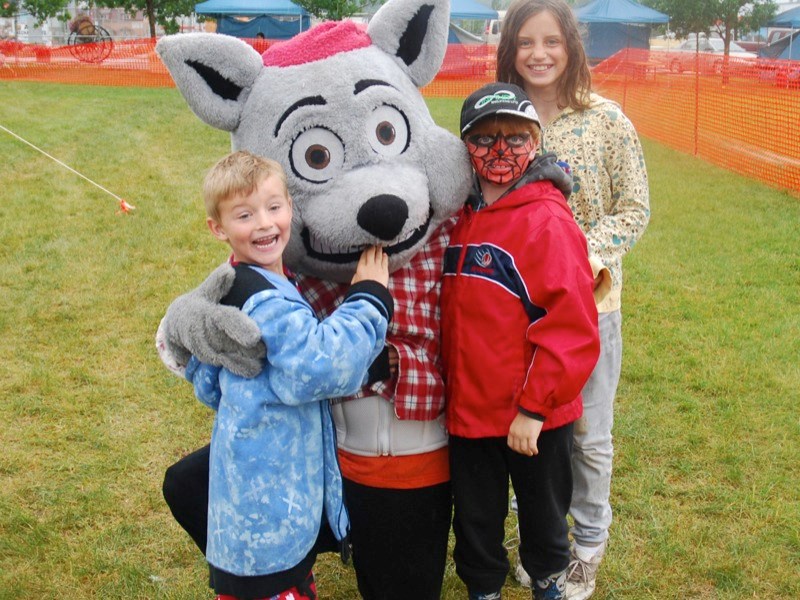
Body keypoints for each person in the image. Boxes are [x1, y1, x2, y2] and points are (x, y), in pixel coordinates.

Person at [181, 150, 393, 600]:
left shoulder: (242, 282)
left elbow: (215, 379)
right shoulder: (263, 299)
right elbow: (319, 366)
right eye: (244, 214)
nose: (263, 223)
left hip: (258, 507)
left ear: (290, 209)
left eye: (273, 207)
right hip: (265, 515)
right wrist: (370, 298)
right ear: (217, 228)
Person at [496, 2, 651, 599]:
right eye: (526, 42)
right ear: (509, 49)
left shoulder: (607, 120)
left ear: (571, 47)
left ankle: (588, 544)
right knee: (529, 432)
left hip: (591, 311)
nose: (539, 53)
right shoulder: (501, 124)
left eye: (551, 41)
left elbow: (633, 208)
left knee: (587, 436)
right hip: (518, 316)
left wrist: (576, 257)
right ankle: (541, 540)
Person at [440, 82, 601, 600]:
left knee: (543, 515)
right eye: (485, 139)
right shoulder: (455, 217)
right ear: (465, 146)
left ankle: (549, 581)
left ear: (536, 140)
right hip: (470, 411)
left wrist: (534, 408)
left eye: (515, 136)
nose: (501, 150)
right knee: (476, 518)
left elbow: (572, 326)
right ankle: (483, 588)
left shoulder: (547, 219)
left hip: (536, 416)